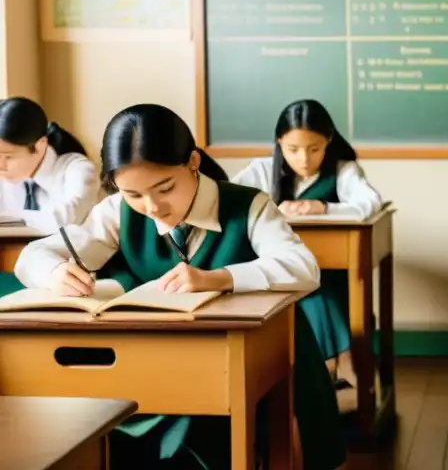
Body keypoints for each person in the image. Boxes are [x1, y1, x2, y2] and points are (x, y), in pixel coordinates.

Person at [13, 104, 346, 470]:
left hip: (253, 354)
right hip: (164, 354)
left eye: (165, 187)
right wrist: (55, 272)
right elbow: (31, 257)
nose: (152, 206)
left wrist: (217, 278)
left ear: (192, 162)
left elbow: (304, 267)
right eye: (133, 194)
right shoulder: (115, 212)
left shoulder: (248, 205)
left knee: (205, 422)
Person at [232, 99, 382, 390]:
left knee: (322, 288)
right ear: (279, 143)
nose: (304, 159)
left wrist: (323, 208)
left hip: (334, 271)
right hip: (280, 272)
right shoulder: (263, 170)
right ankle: (339, 364)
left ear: (328, 140)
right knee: (309, 290)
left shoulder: (343, 169)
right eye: (293, 149)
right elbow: (228, 199)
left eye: (314, 149)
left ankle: (329, 373)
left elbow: (369, 203)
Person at [0, 97, 99, 297]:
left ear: (40, 145)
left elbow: (64, 220)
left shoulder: (78, 170)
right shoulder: (5, 176)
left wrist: (13, 218)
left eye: (8, 156)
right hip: (14, 268)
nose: (1, 165)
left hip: (72, 273)